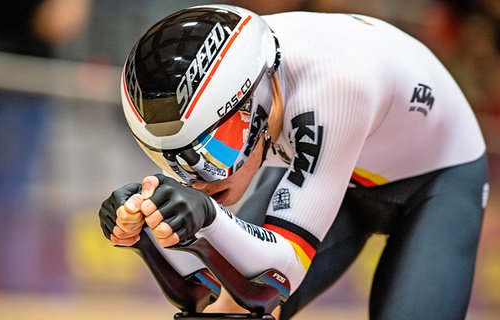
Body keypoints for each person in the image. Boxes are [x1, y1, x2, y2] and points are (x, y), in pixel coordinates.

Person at [99, 4, 489, 319]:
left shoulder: (337, 84)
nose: (199, 179)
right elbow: (204, 293)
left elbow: (276, 278)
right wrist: (149, 236)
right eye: (174, 161)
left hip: (437, 179)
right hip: (338, 163)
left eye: (215, 149)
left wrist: (210, 219)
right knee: (225, 310)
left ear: (257, 106)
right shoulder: (258, 74)